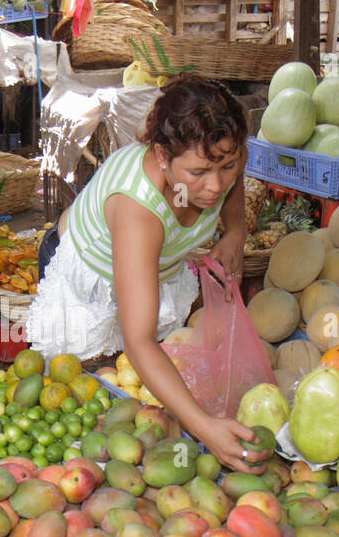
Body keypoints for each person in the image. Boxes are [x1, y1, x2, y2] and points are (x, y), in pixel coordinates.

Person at [25, 75, 257, 472]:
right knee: (86, 400)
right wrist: (203, 427)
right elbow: (139, 340)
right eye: (199, 172)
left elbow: (230, 183)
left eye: (228, 165)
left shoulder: (217, 157)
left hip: (149, 270)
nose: (216, 185)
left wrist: (235, 230)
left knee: (139, 389)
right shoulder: (138, 208)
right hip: (87, 280)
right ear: (163, 155)